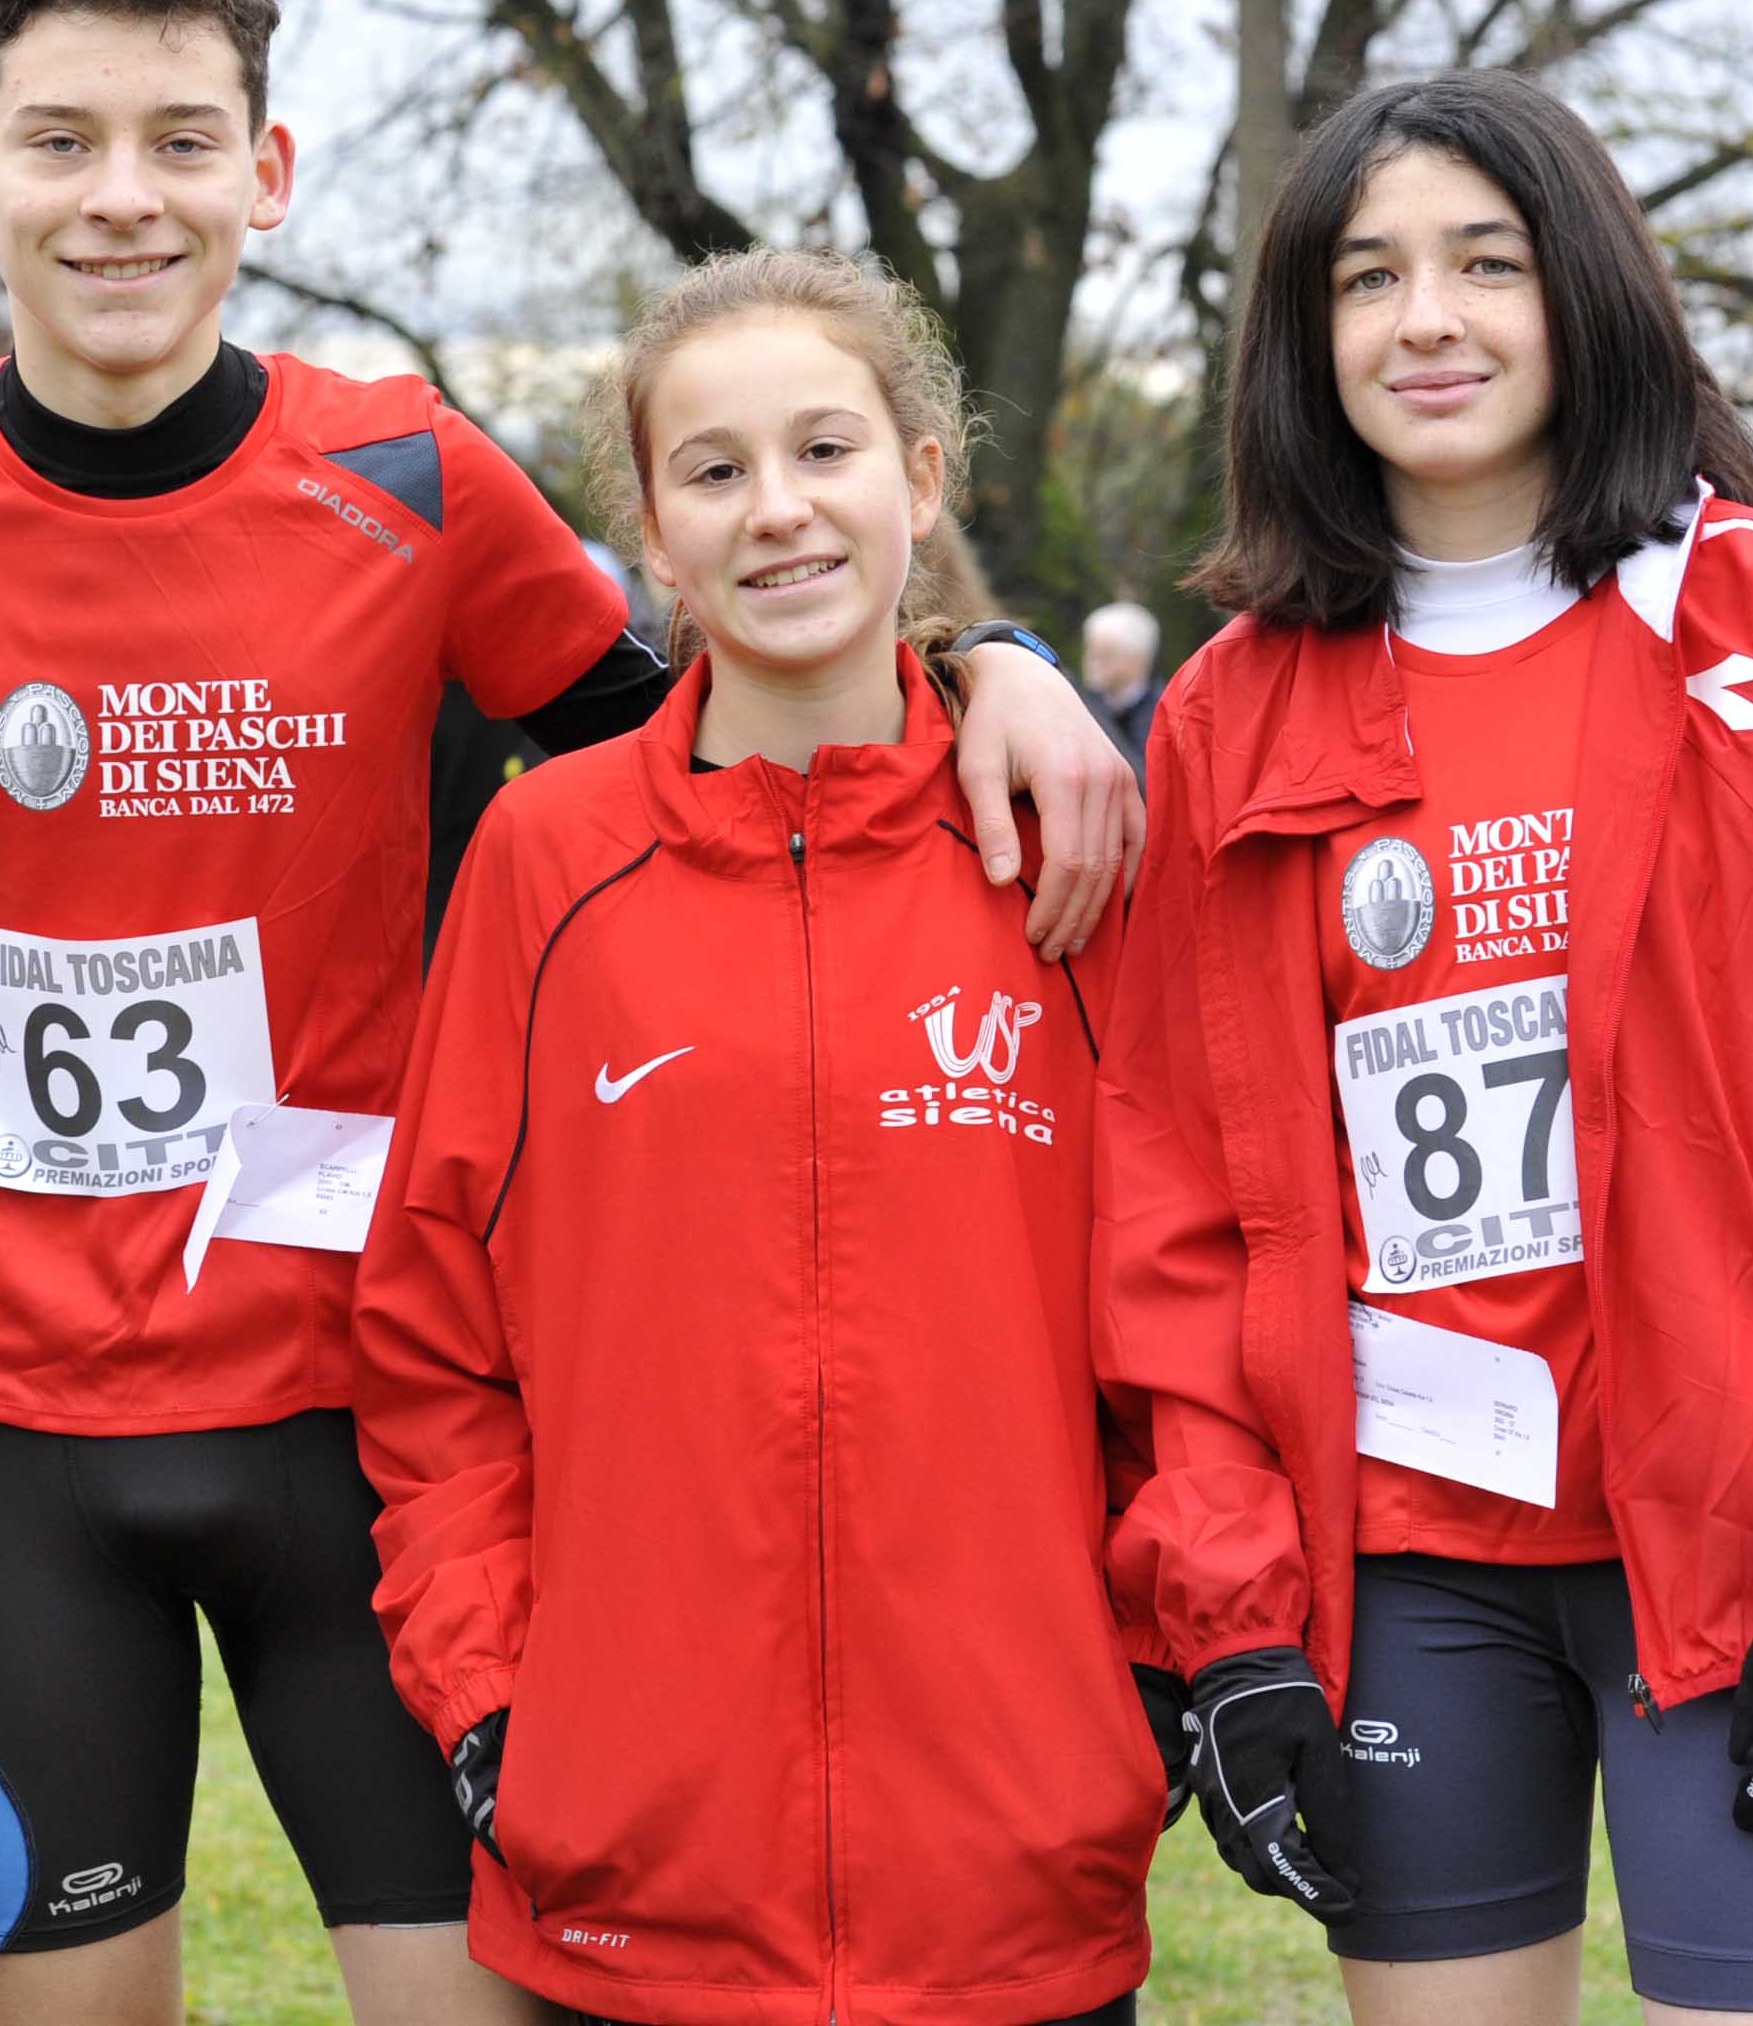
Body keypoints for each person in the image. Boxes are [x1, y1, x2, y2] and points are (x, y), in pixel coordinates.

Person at [0, 0, 1143, 2026]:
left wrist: (1000, 661)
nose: (123, 197)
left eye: (182, 139)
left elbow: (736, 708)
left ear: (267, 172)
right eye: (61, 138)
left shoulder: (409, 481)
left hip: (362, 1440)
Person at [1099, 71, 1753, 2023]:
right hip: (1411, 1567)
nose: (1421, 318)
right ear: (1305, 338)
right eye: (1366, 278)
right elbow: (1169, 1207)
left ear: (1582, 290)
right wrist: (1232, 1613)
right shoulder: (1224, 716)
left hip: (1747, 1540)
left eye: (1479, 263)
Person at [353, 249, 1162, 2026]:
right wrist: (499, 1704)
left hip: (1015, 1890)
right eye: (714, 471)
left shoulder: (1073, 859)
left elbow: (1182, 1332)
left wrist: (1152, 1690)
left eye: (825, 449)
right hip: (632, 1885)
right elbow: (429, 1347)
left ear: (921, 476)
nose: (777, 511)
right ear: (652, 530)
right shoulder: (543, 863)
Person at [1081, 603, 1163, 774]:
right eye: (1091, 651)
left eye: (1106, 655)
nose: (1092, 662)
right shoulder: (1081, 704)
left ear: (1139, 660)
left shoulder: (1165, 713)